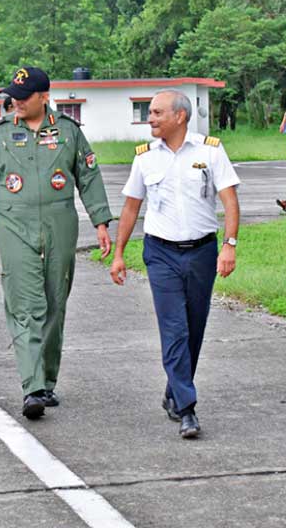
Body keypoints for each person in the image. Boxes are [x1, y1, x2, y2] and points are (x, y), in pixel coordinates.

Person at [0, 66, 112, 419]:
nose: (14, 102)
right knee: (25, 304)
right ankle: (31, 387)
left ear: (44, 97)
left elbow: (88, 176)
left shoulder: (68, 132)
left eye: (22, 96)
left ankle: (46, 380)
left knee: (54, 302)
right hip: (14, 226)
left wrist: (101, 222)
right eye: (12, 96)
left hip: (60, 224)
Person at [110, 90, 240, 439]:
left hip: (201, 252)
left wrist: (229, 245)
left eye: (156, 113)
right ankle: (187, 408)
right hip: (161, 253)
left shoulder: (210, 151)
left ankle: (173, 391)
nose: (150, 118)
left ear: (179, 116)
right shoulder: (145, 158)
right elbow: (131, 208)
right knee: (175, 330)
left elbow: (229, 201)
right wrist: (119, 252)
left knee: (194, 329)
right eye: (149, 112)